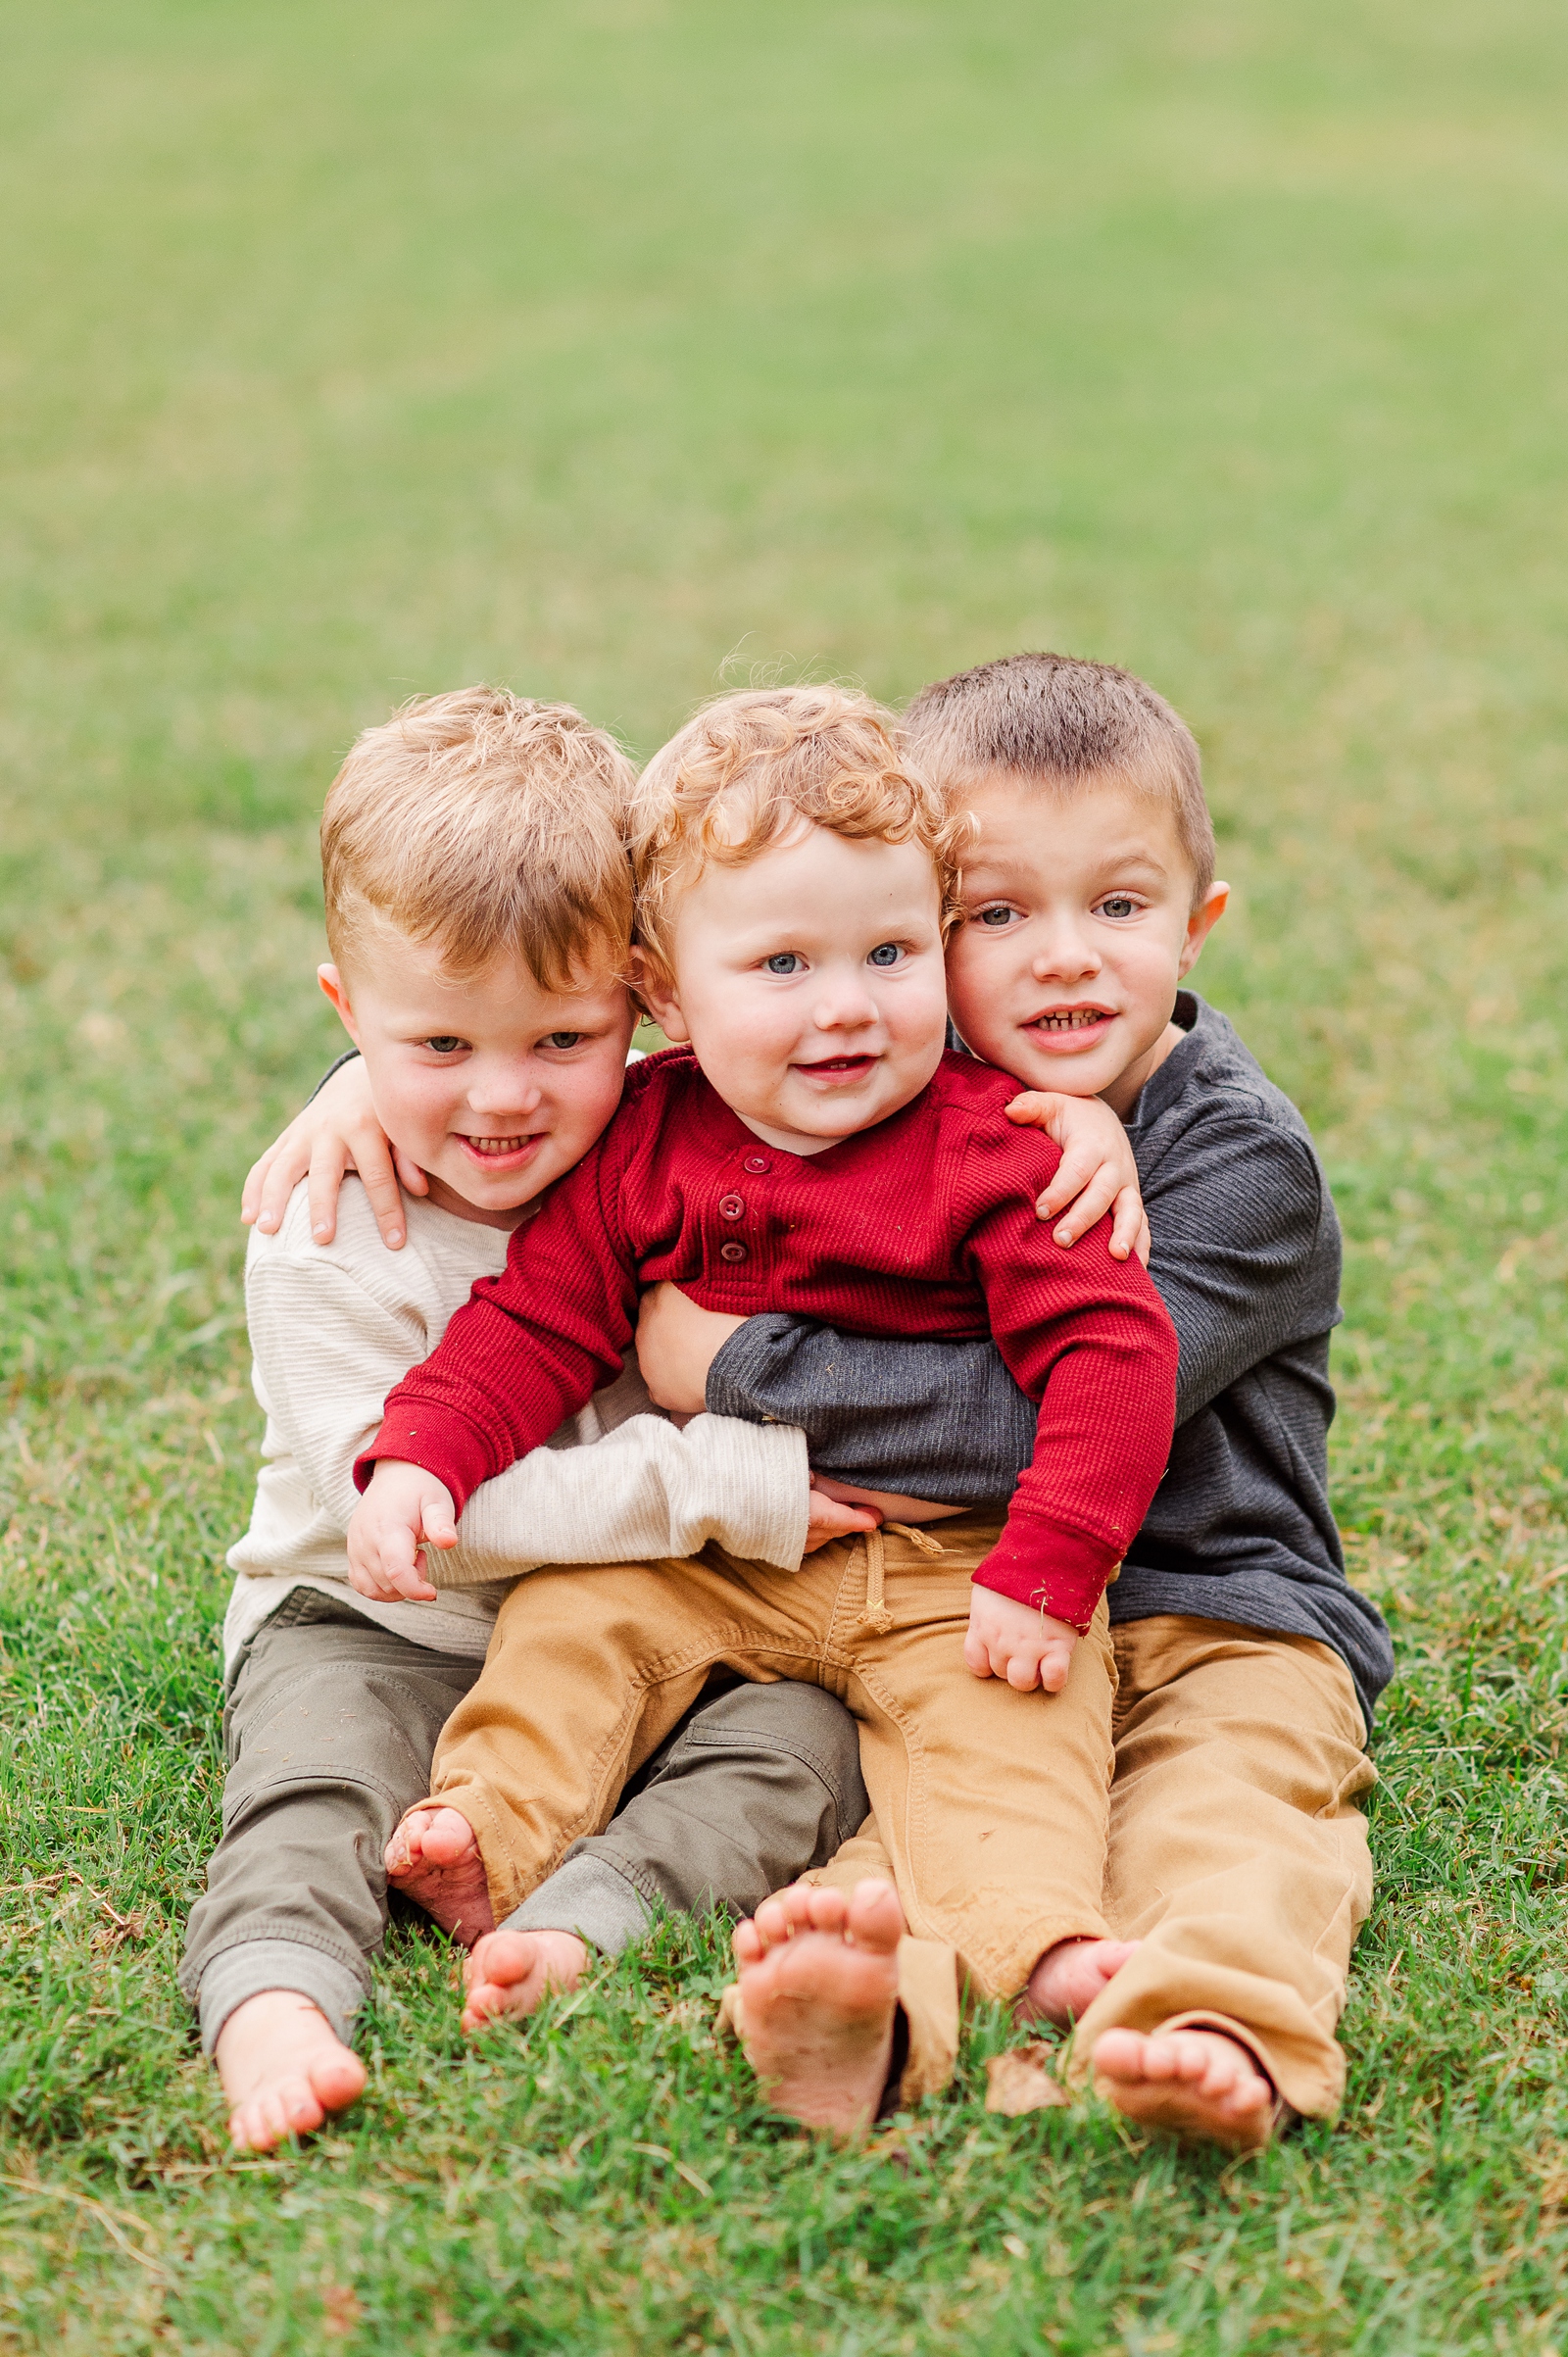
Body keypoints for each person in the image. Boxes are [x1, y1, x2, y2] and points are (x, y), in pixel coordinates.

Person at [344, 682, 1180, 2136]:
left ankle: (1034, 1935)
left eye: (891, 950)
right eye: (783, 961)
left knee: (1023, 1723)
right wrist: (420, 1450)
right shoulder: (643, 1140)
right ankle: (488, 1827)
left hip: (957, 1568)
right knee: (572, 1622)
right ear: (664, 990)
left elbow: (1115, 1352)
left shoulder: (1003, 1145)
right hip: (727, 1546)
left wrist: (1052, 1566)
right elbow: (534, 1322)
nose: (846, 1001)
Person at [638, 653, 1394, 2150]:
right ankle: (862, 2015)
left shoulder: (1238, 1166)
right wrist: (355, 1079)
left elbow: (1049, 1420)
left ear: (1197, 923)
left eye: (1117, 907)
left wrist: (721, 1365)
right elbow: (623, 1034)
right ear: (922, 922)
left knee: (1227, 1808)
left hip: (1213, 1605)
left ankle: (1209, 2020)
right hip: (979, 1608)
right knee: (927, 1835)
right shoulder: (891, 1078)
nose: (1062, 960)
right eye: (997, 914)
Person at [187, 686, 889, 2154]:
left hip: (635, 1618)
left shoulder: (663, 1135)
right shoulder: (323, 1227)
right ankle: (277, 1993)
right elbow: (430, 1531)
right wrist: (721, 1480)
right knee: (315, 1786)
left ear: (643, 1004)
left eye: (561, 1040)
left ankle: (584, 1912)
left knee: (803, 1741)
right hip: (372, 1620)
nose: (505, 1100)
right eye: (436, 1046)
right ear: (347, 1014)